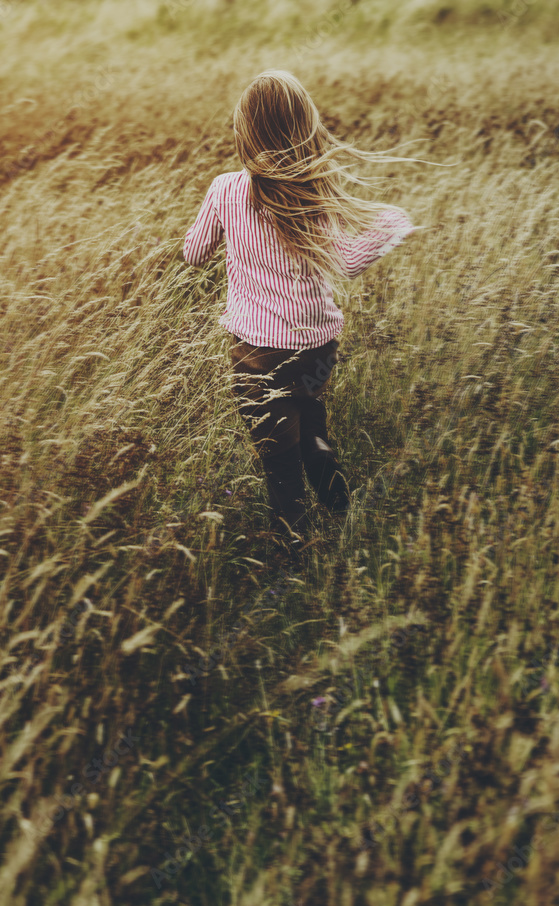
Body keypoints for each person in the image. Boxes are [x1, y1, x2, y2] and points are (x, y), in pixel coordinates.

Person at [183, 69, 420, 554]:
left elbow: (194, 252)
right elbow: (350, 261)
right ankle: (339, 507)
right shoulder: (314, 188)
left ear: (245, 130)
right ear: (303, 126)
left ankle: (293, 556)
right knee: (311, 422)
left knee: (278, 460)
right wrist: (395, 219)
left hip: (256, 351)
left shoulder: (226, 190)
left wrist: (216, 236)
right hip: (317, 345)